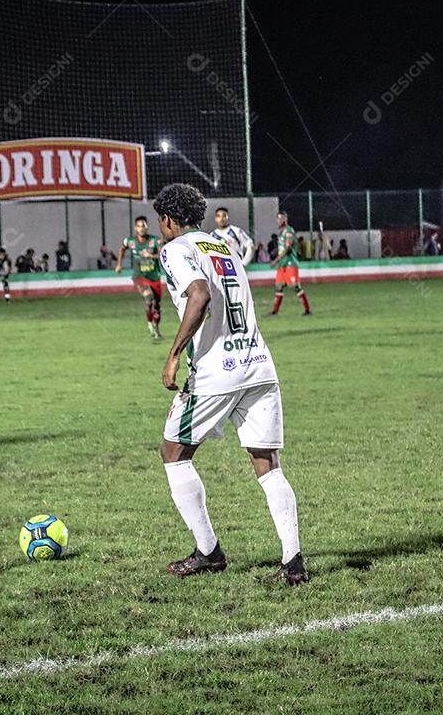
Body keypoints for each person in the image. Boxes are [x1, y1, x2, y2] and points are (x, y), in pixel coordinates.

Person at [153, 183, 307, 585]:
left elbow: (199, 296)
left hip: (216, 371)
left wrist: (173, 354)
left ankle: (209, 552)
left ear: (168, 220)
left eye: (160, 222)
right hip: (258, 364)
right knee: (268, 465)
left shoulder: (175, 249)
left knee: (173, 453)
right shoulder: (224, 247)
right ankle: (293, 564)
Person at [116, 216, 164, 340]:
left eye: (143, 226)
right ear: (135, 228)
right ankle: (149, 323)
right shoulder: (130, 241)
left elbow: (163, 255)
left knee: (157, 305)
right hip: (139, 277)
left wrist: (151, 255)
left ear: (147, 227)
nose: (141, 228)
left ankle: (156, 328)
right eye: (138, 226)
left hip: (154, 277)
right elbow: (121, 249)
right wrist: (119, 264)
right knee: (149, 299)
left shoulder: (156, 241)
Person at [268, 212, 311, 316]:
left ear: (285, 219)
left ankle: (307, 310)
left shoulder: (289, 231)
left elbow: (287, 249)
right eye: (277, 219)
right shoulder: (281, 233)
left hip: (290, 263)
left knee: (295, 286)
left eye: (281, 218)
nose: (279, 221)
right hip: (282, 264)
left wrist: (275, 260)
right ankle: (275, 311)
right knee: (278, 286)